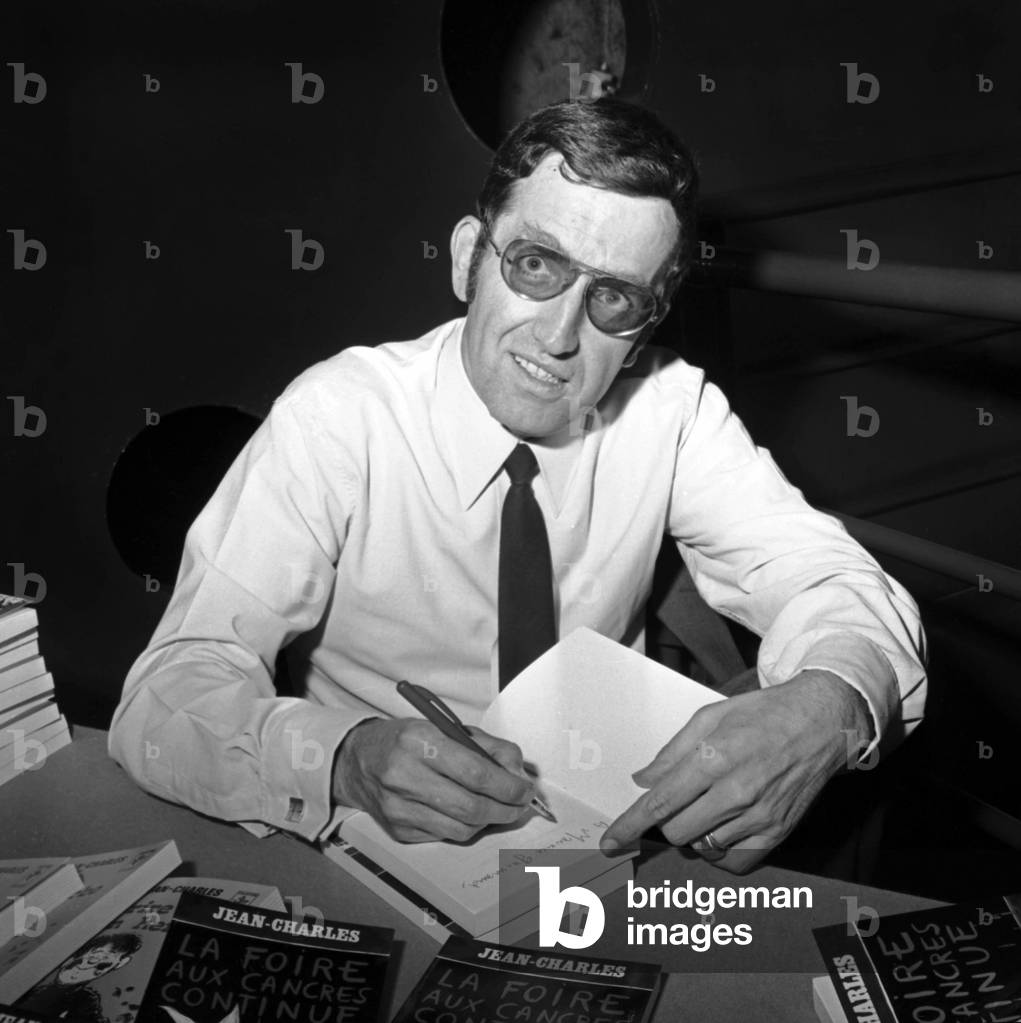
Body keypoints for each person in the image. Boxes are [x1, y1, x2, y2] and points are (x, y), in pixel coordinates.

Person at [109, 98, 926, 875]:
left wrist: (829, 701)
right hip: (377, 845)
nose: (559, 334)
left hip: (601, 839)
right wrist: (345, 760)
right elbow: (166, 696)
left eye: (612, 298)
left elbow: (827, 578)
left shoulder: (672, 411)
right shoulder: (339, 416)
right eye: (537, 265)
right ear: (469, 256)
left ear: (643, 331)